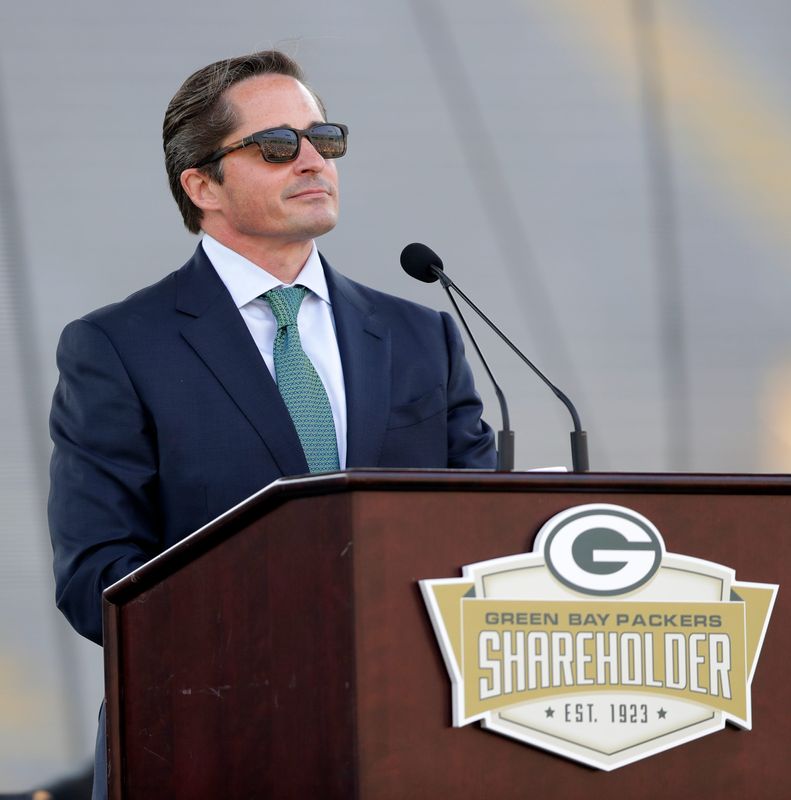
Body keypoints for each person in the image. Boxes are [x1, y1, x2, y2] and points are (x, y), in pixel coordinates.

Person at [48, 50, 495, 797]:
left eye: (325, 138)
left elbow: (481, 535)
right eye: (277, 146)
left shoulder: (422, 336)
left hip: (411, 739)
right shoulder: (120, 347)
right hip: (208, 741)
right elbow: (97, 576)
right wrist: (277, 626)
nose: (313, 160)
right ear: (201, 185)